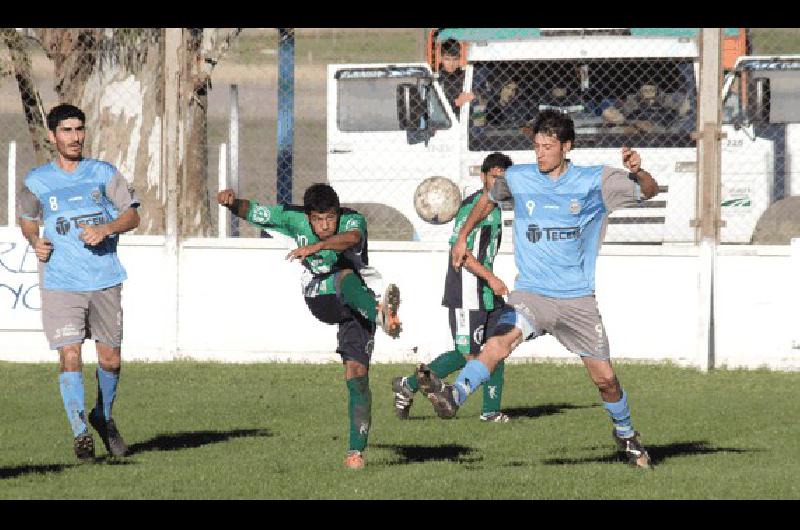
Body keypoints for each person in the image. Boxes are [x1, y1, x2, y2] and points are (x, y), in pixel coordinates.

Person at [417, 109, 660, 469]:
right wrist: (463, 236)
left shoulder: (595, 181)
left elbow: (648, 192)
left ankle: (626, 434)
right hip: (531, 293)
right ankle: (455, 394)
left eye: (548, 146)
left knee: (606, 380)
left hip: (577, 299)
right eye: (536, 146)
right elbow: (487, 199)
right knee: (500, 343)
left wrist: (638, 170)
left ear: (566, 146)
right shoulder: (519, 177)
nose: (540, 153)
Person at [217, 184, 402, 470]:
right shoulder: (293, 218)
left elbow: (352, 238)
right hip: (321, 296)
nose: (326, 225)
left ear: (338, 213)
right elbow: (256, 212)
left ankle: (356, 452)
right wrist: (231, 204)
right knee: (342, 274)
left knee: (357, 374)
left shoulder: (353, 220)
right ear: (309, 216)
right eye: (319, 220)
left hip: (359, 303)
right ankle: (382, 316)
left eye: (331, 218)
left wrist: (319, 245)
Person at [17, 103, 141, 462]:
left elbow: (132, 215)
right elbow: (27, 217)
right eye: (67, 131)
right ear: (53, 136)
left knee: (111, 359)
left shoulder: (103, 173)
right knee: (70, 354)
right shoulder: (37, 180)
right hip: (60, 281)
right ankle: (80, 431)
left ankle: (103, 415)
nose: (75, 137)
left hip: (104, 278)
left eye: (79, 129)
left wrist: (106, 228)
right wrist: (33, 240)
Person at [392, 152, 513, 423]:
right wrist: (491, 278)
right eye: (494, 177)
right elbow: (459, 252)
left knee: (497, 346)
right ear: (483, 176)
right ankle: (408, 385)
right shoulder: (473, 207)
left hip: (485, 293)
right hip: (467, 293)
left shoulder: (495, 205)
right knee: (467, 354)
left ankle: (490, 411)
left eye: (504, 179)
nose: (498, 183)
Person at [438, 38, 475, 120]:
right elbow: (434, 107)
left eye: (455, 59)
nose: (451, 64)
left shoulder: (466, 76)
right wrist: (457, 102)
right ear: (441, 58)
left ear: (460, 58)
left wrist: (473, 96)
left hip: (465, 120)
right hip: (443, 122)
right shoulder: (436, 78)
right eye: (447, 59)